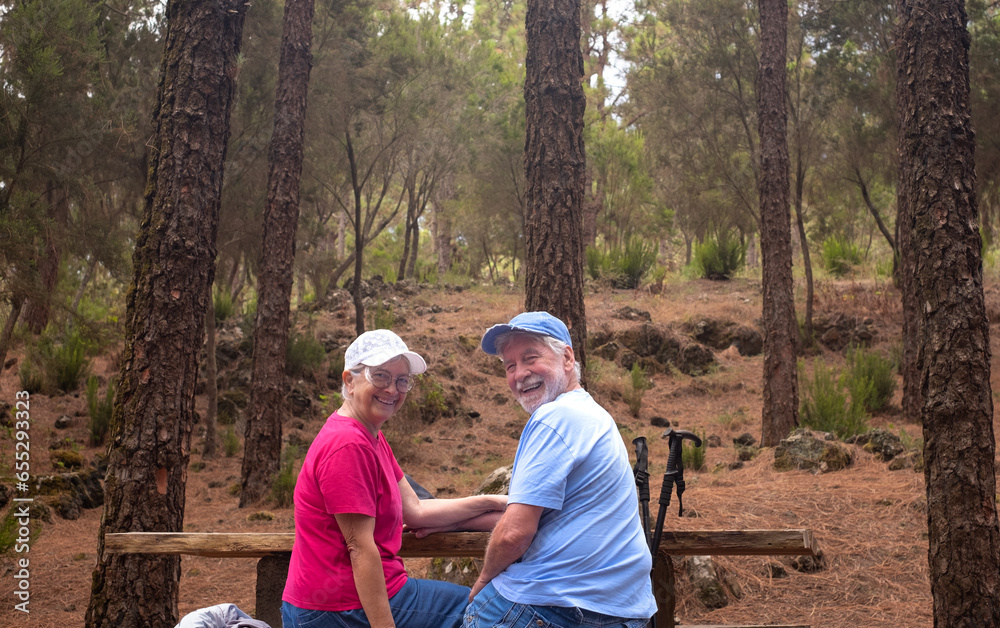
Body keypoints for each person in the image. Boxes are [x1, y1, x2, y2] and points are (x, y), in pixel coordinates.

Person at [282, 329, 507, 628]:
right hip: (340, 607)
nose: (392, 389)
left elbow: (416, 511)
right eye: (380, 376)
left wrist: (494, 502)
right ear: (349, 381)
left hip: (349, 599)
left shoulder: (370, 434)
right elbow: (360, 548)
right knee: (490, 611)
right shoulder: (348, 444)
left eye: (402, 380)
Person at [464, 312, 657, 628]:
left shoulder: (555, 417)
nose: (520, 374)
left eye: (530, 358)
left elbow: (514, 533)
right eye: (510, 366)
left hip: (554, 606)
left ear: (567, 358)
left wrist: (485, 579)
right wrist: (450, 520)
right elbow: (557, 517)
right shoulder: (593, 414)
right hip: (623, 609)